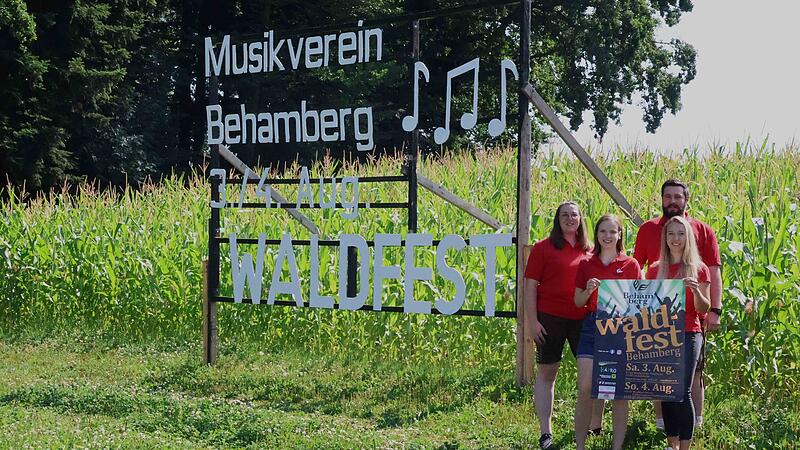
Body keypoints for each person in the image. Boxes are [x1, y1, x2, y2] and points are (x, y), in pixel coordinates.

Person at [633, 179, 722, 429]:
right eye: (668, 196)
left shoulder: (703, 230)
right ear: (661, 200)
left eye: (677, 197)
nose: (672, 201)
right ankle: (663, 423)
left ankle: (696, 423)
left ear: (686, 200)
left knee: (693, 372)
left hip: (693, 316)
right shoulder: (648, 230)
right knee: (661, 370)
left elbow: (713, 273)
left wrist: (715, 309)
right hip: (659, 316)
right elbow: (636, 270)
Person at [525, 201, 592, 449]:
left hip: (582, 319)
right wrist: (532, 322)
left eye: (574, 214)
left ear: (580, 219)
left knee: (590, 374)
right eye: (564, 215)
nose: (570, 218)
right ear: (557, 219)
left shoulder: (590, 250)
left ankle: (593, 426)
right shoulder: (544, 248)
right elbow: (530, 286)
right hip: (550, 318)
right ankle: (546, 433)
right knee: (547, 373)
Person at [573, 214, 642, 450]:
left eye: (613, 231)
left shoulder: (631, 264)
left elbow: (638, 303)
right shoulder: (585, 264)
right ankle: (580, 445)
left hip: (620, 328)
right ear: (597, 234)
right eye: (603, 231)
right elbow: (577, 301)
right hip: (592, 326)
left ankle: (617, 446)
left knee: (618, 391)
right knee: (585, 387)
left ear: (620, 234)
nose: (608, 236)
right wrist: (589, 290)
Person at [646, 215, 711, 450]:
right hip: (662, 333)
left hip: (689, 332)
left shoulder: (699, 269)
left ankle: (685, 445)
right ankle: (671, 443)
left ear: (688, 238)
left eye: (681, 234)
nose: (676, 239)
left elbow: (704, 308)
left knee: (681, 390)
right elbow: (647, 305)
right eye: (671, 234)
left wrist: (696, 292)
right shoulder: (655, 270)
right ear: (665, 238)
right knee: (666, 388)